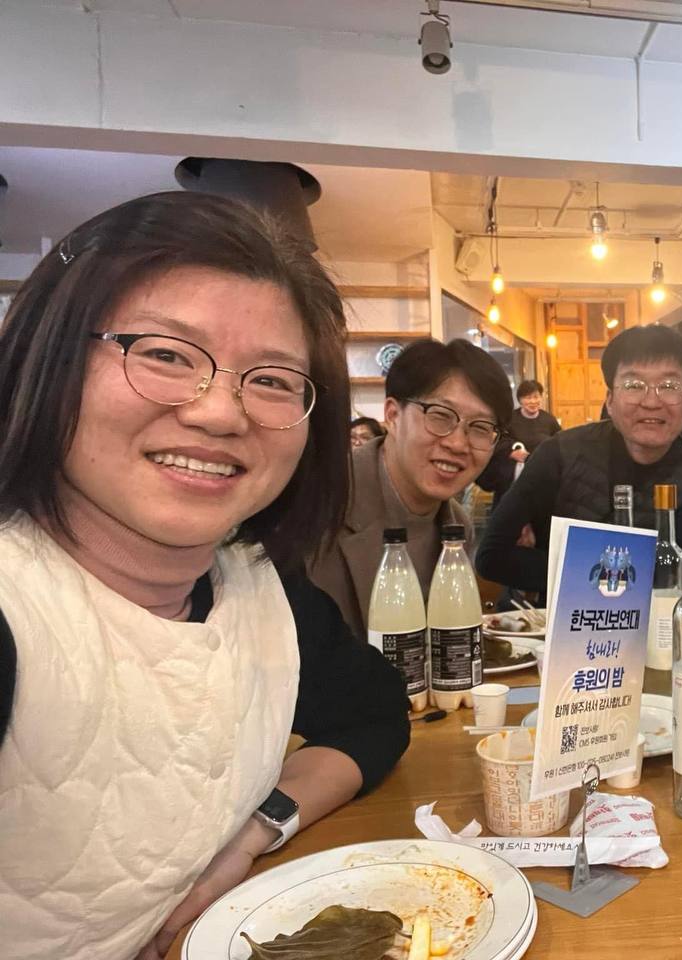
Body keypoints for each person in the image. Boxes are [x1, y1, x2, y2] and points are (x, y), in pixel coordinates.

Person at [0, 192, 410, 960]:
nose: (221, 412)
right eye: (166, 355)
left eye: (273, 380)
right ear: (49, 359)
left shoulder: (256, 587)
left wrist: (255, 832)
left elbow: (375, 716)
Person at [477, 324, 682, 593]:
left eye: (669, 386)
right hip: (559, 618)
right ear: (610, 401)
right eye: (633, 385)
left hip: (660, 620)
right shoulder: (559, 454)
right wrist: (616, 577)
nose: (652, 402)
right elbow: (492, 556)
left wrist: (565, 562)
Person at [310, 338, 511, 636]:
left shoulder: (457, 527)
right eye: (440, 416)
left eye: (481, 428)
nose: (458, 443)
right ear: (392, 415)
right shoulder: (320, 502)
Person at [475, 379, 560, 506]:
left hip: (541, 477)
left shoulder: (549, 420)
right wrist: (510, 452)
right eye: (528, 397)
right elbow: (496, 440)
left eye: (536, 396)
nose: (533, 401)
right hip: (511, 479)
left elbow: (558, 443)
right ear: (520, 400)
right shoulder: (509, 419)